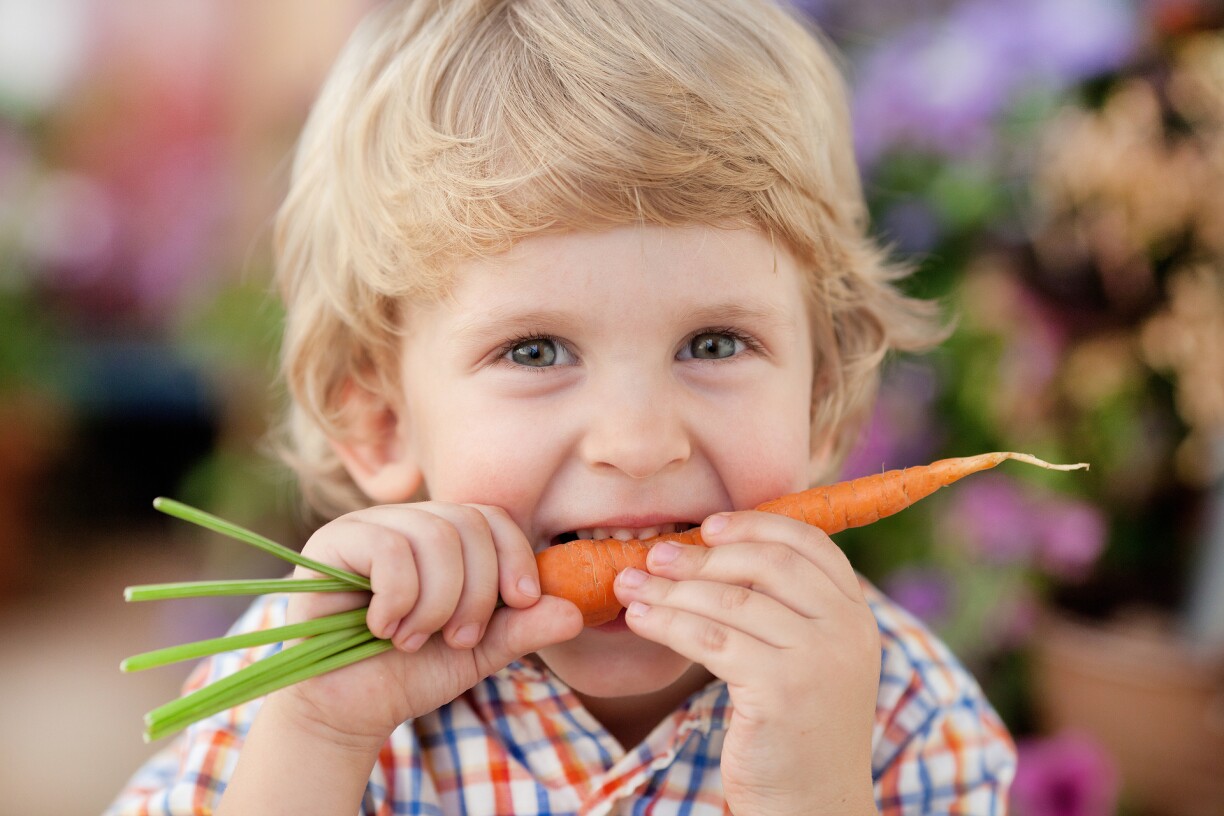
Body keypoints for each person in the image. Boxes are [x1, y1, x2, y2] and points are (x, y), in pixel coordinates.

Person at [107, 0, 1016, 812]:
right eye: (535, 351)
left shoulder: (899, 709)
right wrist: (318, 742)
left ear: (823, 399)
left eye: (713, 344)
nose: (638, 442)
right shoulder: (309, 676)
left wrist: (813, 797)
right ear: (381, 421)